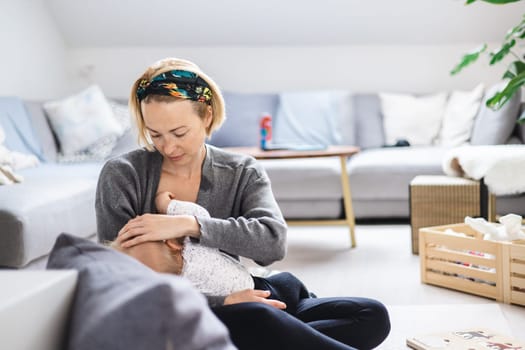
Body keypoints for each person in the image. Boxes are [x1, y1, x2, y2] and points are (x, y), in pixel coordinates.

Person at [95, 57, 390, 350]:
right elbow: (123, 283)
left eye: (179, 133)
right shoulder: (123, 175)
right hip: (211, 313)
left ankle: (282, 339)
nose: (168, 147)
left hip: (262, 293)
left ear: (207, 116)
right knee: (258, 319)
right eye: (155, 135)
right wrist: (220, 302)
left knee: (372, 316)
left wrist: (192, 225)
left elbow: (272, 244)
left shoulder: (241, 170)